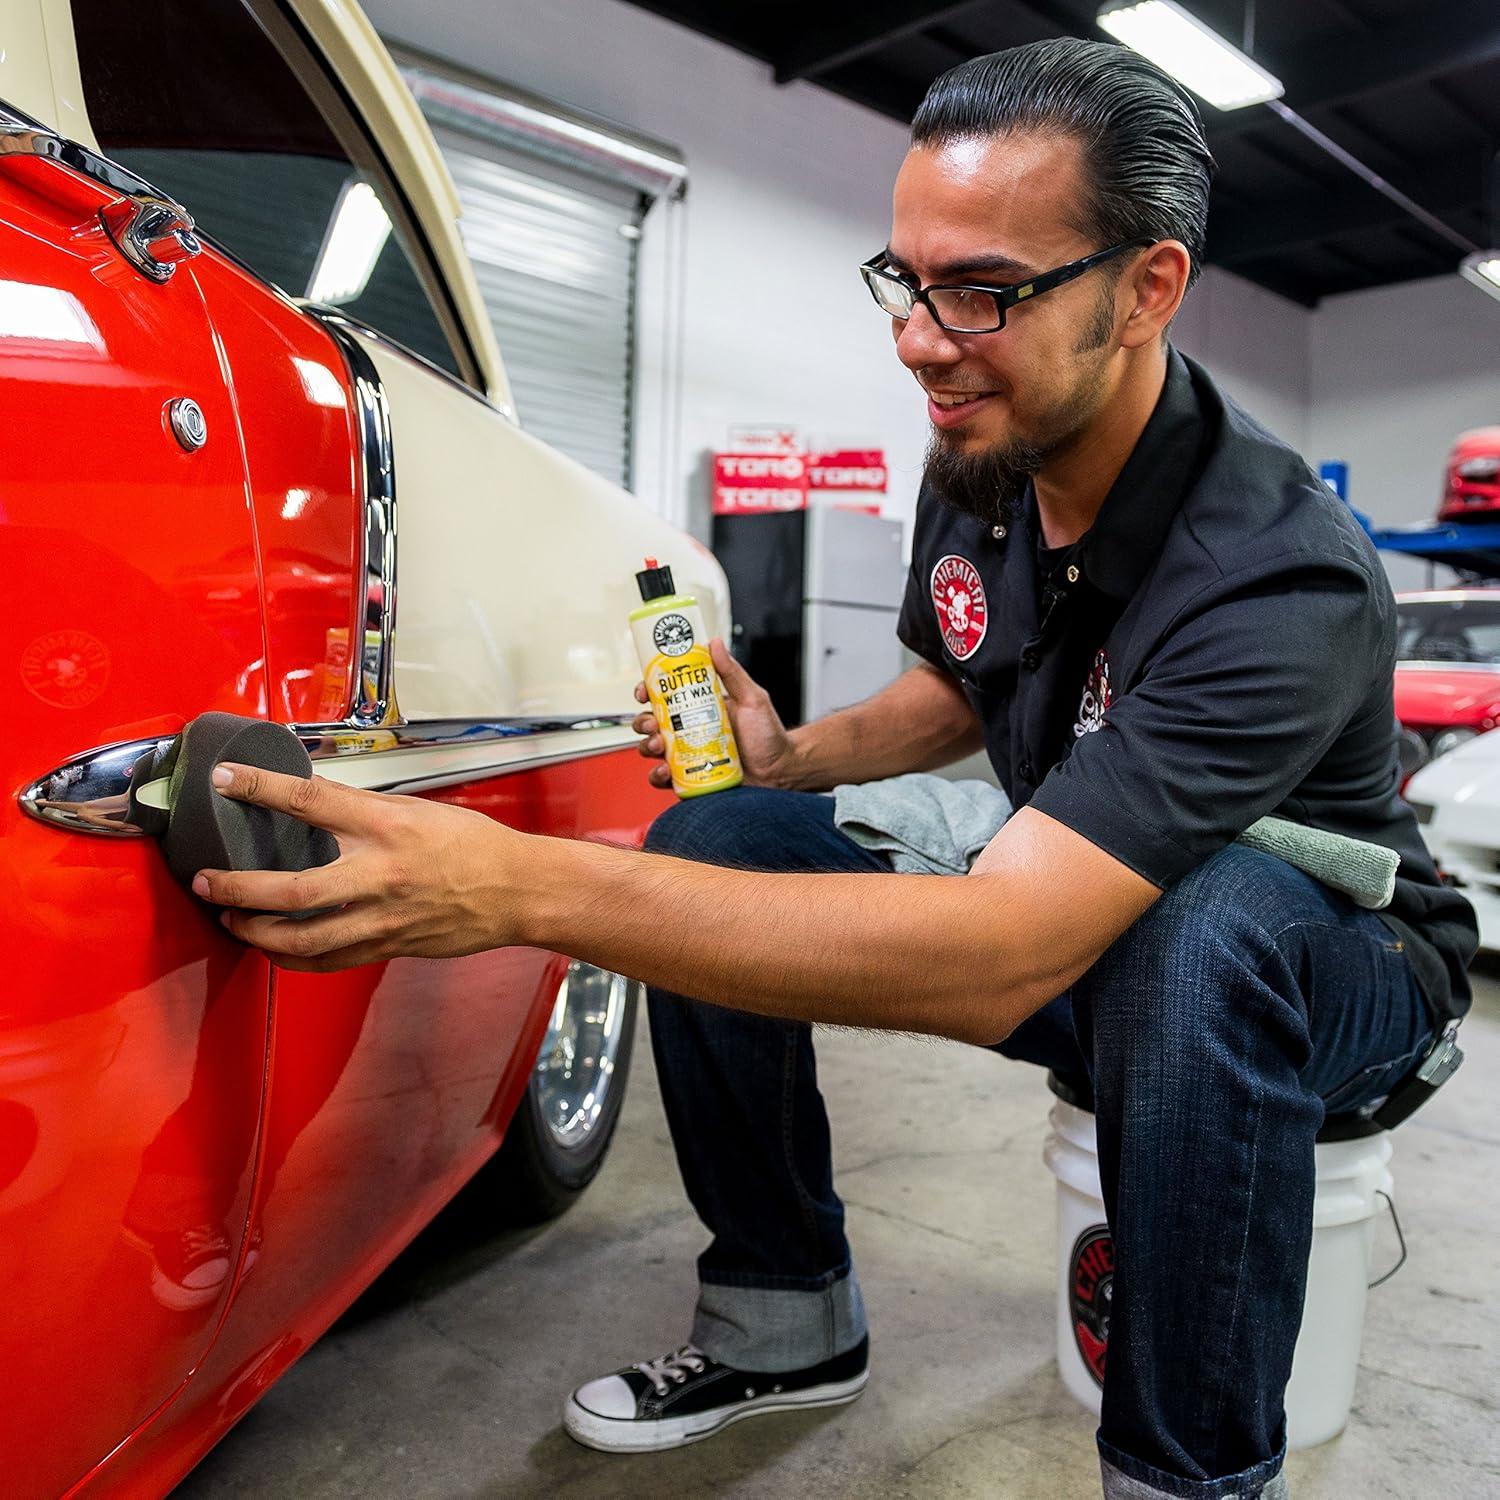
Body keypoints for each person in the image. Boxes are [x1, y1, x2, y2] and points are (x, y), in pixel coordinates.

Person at [193, 38, 1476, 1500]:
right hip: (1090, 891)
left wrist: (519, 888)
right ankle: (785, 1314)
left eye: (983, 290)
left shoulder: (1277, 578)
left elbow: (1000, 956)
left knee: (1203, 937)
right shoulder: (986, 443)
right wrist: (794, 758)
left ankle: (1188, 1478)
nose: (924, 340)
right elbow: (957, 681)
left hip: (1339, 962)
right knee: (723, 839)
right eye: (907, 282)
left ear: (1147, 290)